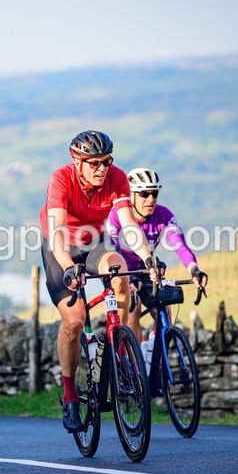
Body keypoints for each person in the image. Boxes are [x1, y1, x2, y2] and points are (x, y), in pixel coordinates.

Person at [39, 130, 162, 433]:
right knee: (75, 319)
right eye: (93, 163)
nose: (101, 169)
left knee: (120, 272)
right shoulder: (61, 178)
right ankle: (69, 397)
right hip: (62, 247)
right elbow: (55, 236)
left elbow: (130, 226)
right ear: (77, 161)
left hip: (95, 241)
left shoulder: (117, 178)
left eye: (106, 162)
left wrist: (147, 257)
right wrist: (69, 268)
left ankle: (118, 351)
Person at [105, 167, 207, 342]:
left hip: (147, 271)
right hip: (121, 273)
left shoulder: (164, 215)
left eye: (154, 194)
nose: (150, 199)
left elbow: (180, 246)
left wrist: (194, 269)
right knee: (134, 308)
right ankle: (136, 365)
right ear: (132, 195)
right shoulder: (116, 216)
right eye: (144, 194)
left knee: (165, 311)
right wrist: (128, 278)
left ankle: (154, 355)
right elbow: (114, 250)